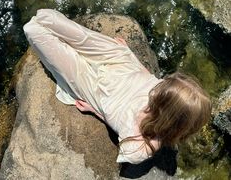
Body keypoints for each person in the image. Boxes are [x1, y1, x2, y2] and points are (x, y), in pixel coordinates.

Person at [23, 9, 211, 164]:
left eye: (160, 91)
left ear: (168, 113)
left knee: (33, 30)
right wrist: (129, 54)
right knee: (45, 17)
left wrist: (96, 112)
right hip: (118, 60)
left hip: (96, 88)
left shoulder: (142, 146)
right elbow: (147, 75)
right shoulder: (165, 93)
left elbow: (125, 146)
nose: (157, 87)